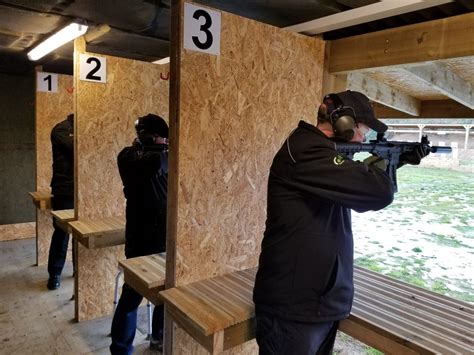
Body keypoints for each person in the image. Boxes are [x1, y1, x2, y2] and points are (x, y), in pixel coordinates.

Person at [252, 90, 430, 354]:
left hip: (318, 300)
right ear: (344, 123)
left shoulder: (317, 152)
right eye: (364, 129)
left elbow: (351, 179)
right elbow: (378, 193)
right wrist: (389, 163)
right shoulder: (306, 151)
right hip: (294, 306)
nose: (364, 138)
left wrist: (396, 159)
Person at [110, 113, 169, 355]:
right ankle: (132, 344)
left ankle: (129, 345)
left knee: (155, 293)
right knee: (138, 294)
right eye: (164, 139)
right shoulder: (155, 159)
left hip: (140, 235)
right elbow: (157, 161)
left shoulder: (126, 155)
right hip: (153, 237)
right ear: (154, 138)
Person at [47, 113, 74, 290]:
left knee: (83, 235)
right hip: (65, 189)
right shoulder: (62, 129)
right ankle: (55, 273)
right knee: (62, 233)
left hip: (82, 190)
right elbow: (77, 147)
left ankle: (79, 271)